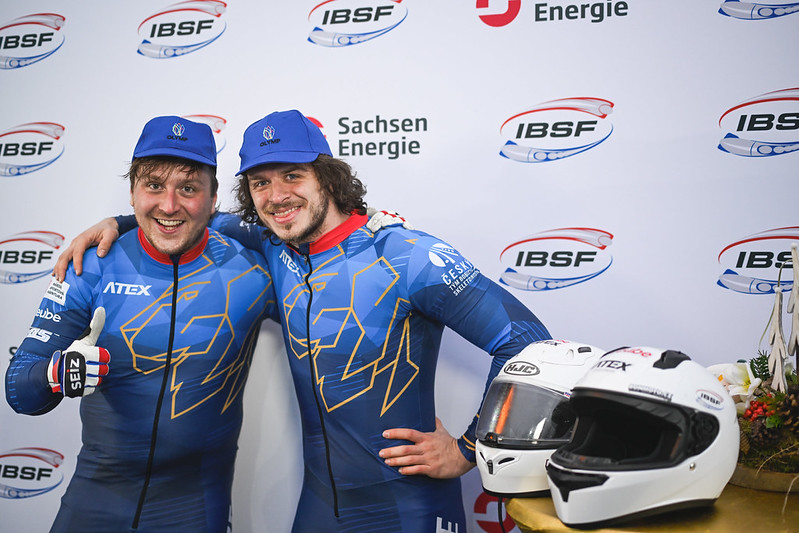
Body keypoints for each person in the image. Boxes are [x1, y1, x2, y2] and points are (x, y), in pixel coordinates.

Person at [54, 110, 552, 532]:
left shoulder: (405, 253)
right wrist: (117, 222)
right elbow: (183, 215)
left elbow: (527, 343)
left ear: (327, 179)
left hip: (407, 508)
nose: (276, 195)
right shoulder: (275, 246)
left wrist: (469, 448)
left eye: (292, 176)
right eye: (260, 183)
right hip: (317, 509)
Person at [5, 115, 278, 532]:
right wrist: (56, 373)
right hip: (95, 499)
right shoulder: (90, 265)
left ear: (212, 198)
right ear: (132, 192)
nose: (169, 206)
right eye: (153, 186)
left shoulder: (253, 271)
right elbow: (20, 391)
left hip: (195, 507)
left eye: (188, 189)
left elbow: (330, 293)